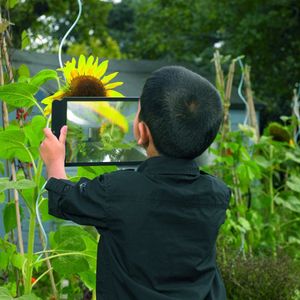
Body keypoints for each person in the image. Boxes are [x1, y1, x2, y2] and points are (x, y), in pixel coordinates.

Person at [40, 66, 231, 300]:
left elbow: (66, 199)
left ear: (141, 132)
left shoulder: (116, 192)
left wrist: (54, 161)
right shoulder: (217, 195)